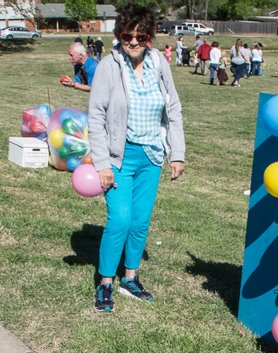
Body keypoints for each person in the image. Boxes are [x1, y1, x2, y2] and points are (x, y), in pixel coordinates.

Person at [87, 4, 185, 313]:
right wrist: (102, 163)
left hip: (151, 155)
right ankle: (105, 284)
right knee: (120, 219)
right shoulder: (108, 66)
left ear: (150, 37)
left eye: (140, 36)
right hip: (119, 157)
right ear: (119, 35)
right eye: (127, 35)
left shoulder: (158, 63)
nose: (133, 41)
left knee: (140, 221)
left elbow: (173, 110)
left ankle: (129, 278)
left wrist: (177, 152)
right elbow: (96, 115)